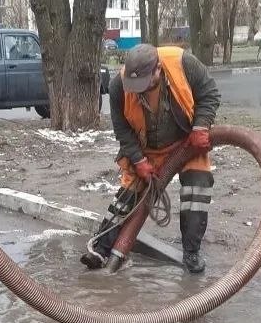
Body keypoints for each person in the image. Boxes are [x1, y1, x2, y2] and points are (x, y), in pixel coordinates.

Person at [81, 43, 221, 274]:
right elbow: (122, 130)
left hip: (187, 142)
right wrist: (138, 160)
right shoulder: (119, 85)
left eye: (144, 85)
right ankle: (100, 249)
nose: (139, 91)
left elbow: (209, 94)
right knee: (127, 195)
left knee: (198, 187)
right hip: (148, 152)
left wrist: (201, 127)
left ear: (158, 69)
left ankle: (191, 252)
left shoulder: (183, 63)